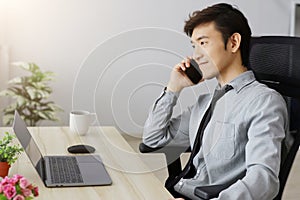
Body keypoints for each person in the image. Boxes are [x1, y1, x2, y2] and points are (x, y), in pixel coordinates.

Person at [143, 3, 291, 200]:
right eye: (194, 46)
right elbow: (152, 139)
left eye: (203, 43)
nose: (195, 55)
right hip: (177, 191)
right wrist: (173, 88)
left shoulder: (264, 102)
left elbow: (264, 181)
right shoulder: (205, 103)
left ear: (233, 43)